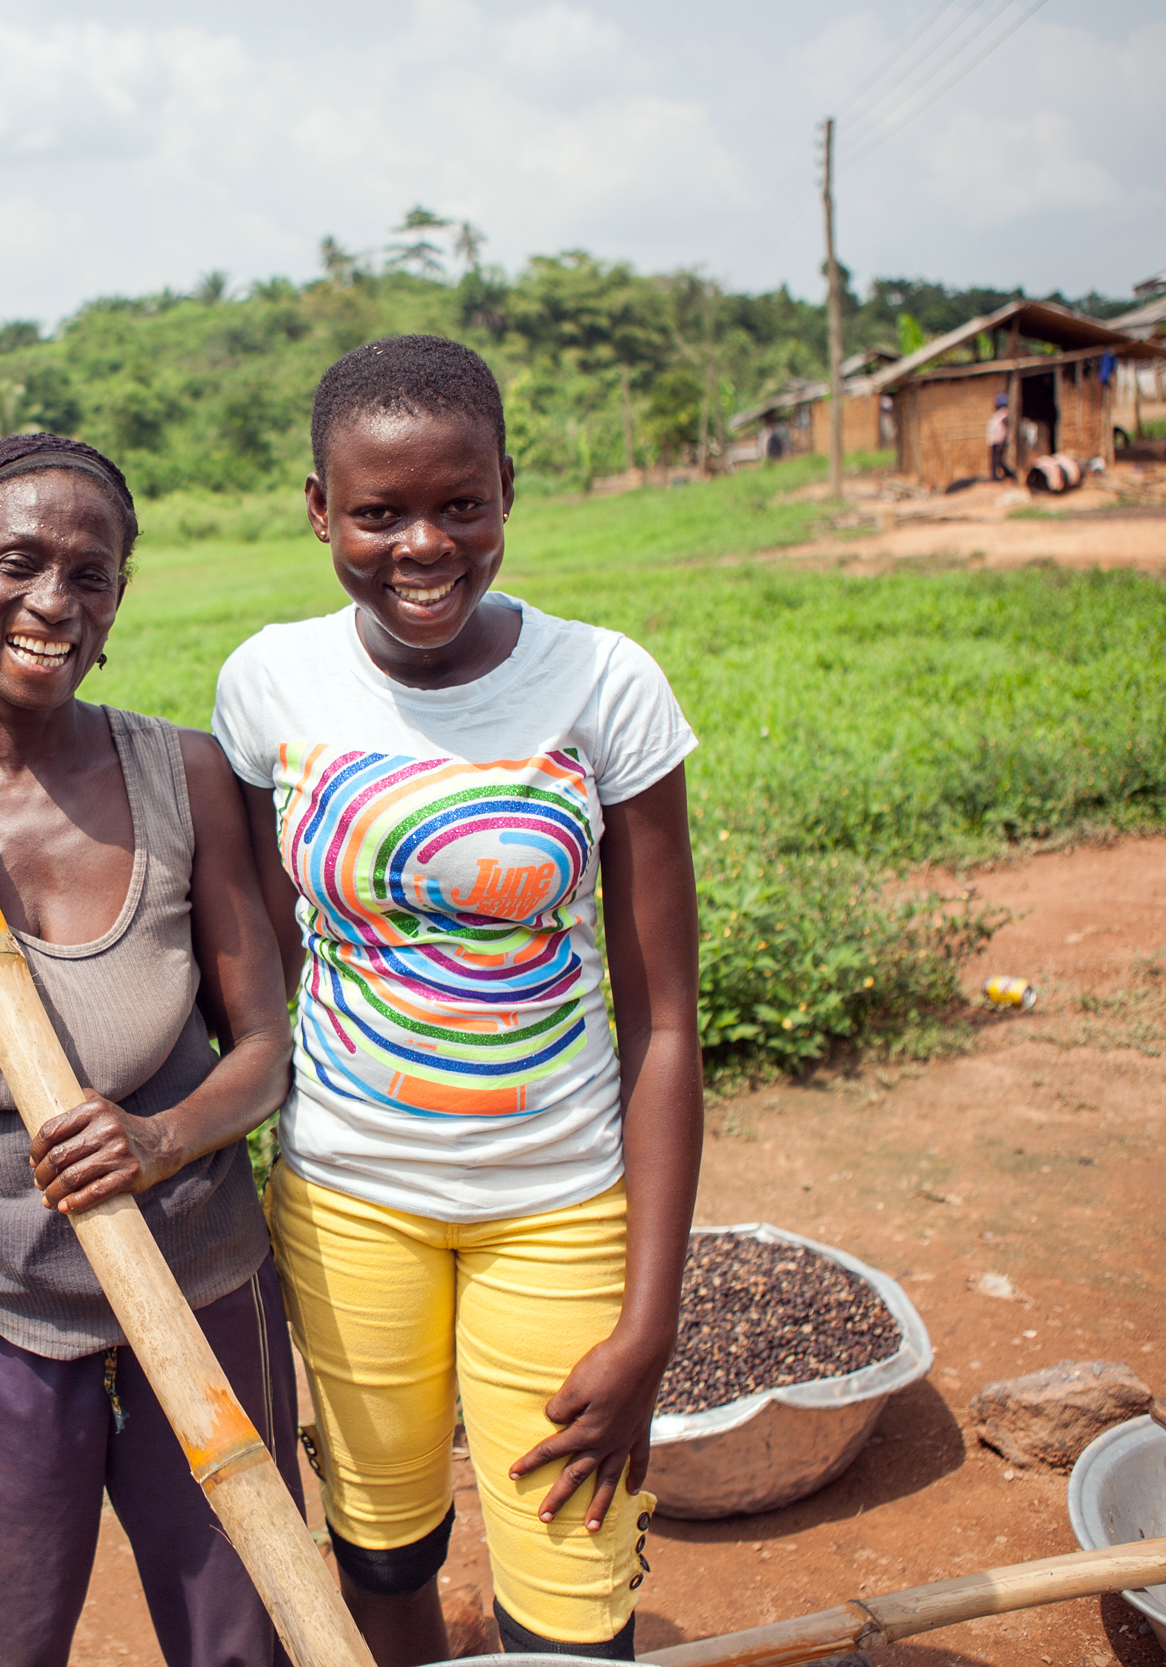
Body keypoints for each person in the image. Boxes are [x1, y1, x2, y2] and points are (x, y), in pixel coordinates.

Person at [211, 336, 704, 1665]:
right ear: (321, 508)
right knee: (383, 1549)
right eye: (378, 511)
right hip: (349, 1195)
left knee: (575, 1589)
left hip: (559, 1200)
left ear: (506, 489)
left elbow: (663, 1023)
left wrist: (651, 1321)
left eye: (460, 502)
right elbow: (273, 959)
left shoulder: (604, 684)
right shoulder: (270, 684)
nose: (422, 543)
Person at [0, 433, 303, 1667]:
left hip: (198, 1281)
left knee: (241, 1637)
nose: (50, 603)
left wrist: (156, 1136)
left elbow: (263, 1045)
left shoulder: (183, 774)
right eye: (16, 563)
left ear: (117, 602)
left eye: (87, 575)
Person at [987, 393, 1013, 480]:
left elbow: (1005, 426)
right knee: (994, 460)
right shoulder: (998, 415)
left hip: (999, 441)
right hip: (994, 440)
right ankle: (994, 476)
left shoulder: (1004, 414)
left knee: (998, 460)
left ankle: (1010, 475)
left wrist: (1004, 439)